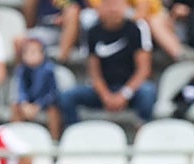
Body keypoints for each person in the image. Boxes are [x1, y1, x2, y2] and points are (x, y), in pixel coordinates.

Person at [57, 0, 157, 131]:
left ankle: (143, 130)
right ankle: (74, 132)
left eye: (116, 4)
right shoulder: (92, 31)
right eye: (108, 4)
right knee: (67, 97)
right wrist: (105, 95)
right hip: (103, 90)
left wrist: (124, 94)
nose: (112, 9)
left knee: (148, 92)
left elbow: (143, 70)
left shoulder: (137, 28)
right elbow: (94, 71)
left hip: (131, 90)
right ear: (100, 8)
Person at [11, 34, 62, 134]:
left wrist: (38, 105)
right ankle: (16, 136)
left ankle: (54, 139)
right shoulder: (21, 70)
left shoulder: (49, 70)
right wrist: (24, 103)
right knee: (15, 107)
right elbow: (21, 89)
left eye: (34, 52)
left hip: (44, 103)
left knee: (53, 110)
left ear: (42, 54)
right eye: (27, 52)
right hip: (28, 103)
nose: (30, 55)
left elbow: (52, 93)